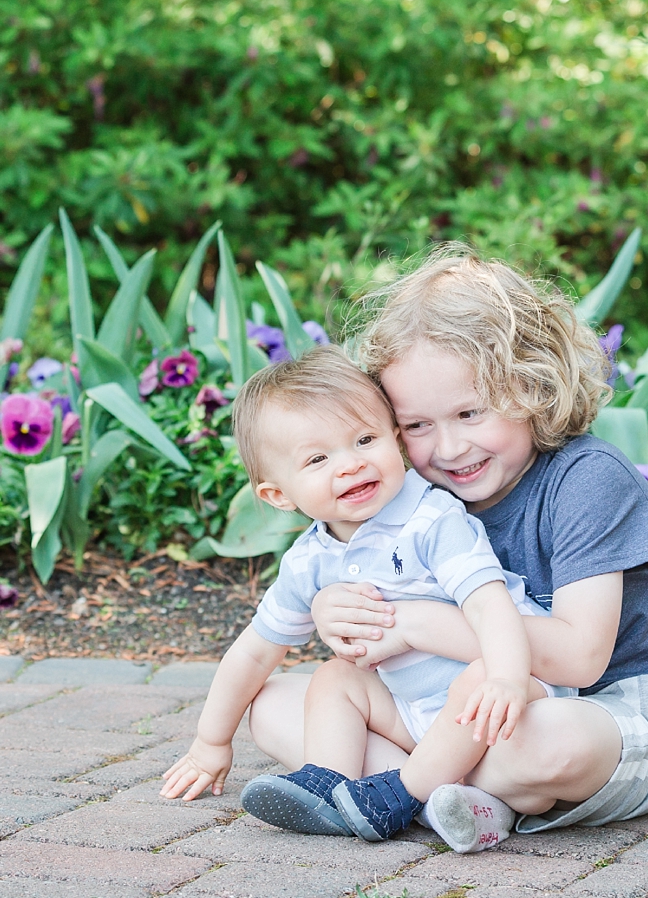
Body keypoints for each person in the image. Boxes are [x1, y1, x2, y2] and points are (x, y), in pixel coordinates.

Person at [237, 245, 648, 844]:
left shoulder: (586, 480)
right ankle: (452, 799)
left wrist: (411, 624)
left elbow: (579, 658)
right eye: (417, 425)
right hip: (462, 709)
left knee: (546, 744)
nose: (451, 447)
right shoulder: (412, 491)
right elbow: (370, 585)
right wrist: (336, 610)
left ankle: (411, 787)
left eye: (470, 413)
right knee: (275, 703)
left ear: (532, 386)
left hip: (607, 710)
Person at [160, 347, 576, 851]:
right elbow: (253, 652)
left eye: (364, 439)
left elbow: (491, 605)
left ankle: (402, 794)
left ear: (395, 440)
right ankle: (328, 784)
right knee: (336, 677)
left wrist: (509, 679)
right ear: (278, 495)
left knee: (480, 675)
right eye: (318, 458)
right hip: (413, 714)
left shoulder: (431, 518)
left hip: (501, 708)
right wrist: (211, 741)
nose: (351, 464)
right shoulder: (309, 560)